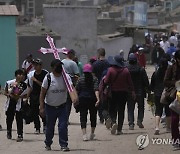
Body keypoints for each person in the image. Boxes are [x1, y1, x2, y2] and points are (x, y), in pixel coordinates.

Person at [40, 59, 77, 151]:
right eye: (57, 66)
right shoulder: (48, 78)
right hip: (50, 107)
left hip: (62, 107)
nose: (59, 68)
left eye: (60, 66)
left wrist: (75, 98)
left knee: (63, 126)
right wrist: (41, 108)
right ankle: (48, 143)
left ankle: (64, 144)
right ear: (52, 68)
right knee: (50, 127)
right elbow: (42, 93)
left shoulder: (66, 77)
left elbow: (71, 88)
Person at [104, 55, 135, 135]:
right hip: (123, 93)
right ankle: (120, 129)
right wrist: (132, 91)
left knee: (112, 109)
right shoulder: (126, 71)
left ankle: (114, 122)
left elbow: (106, 81)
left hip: (113, 93)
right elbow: (130, 83)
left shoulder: (110, 70)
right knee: (121, 110)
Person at [76, 64, 99, 141]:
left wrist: (75, 99)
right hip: (92, 100)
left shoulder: (80, 79)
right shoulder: (94, 79)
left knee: (83, 117)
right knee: (93, 116)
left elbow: (77, 90)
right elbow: (96, 90)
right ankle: (92, 133)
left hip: (82, 100)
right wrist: (98, 99)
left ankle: (84, 135)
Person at [127, 53, 149, 130]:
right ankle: (139, 120)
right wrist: (148, 89)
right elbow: (145, 81)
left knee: (130, 108)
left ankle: (131, 124)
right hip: (140, 91)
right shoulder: (141, 69)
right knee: (141, 107)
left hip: (130, 92)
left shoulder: (126, 70)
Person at [4, 69, 27, 142]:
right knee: (9, 118)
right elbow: (5, 92)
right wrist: (10, 95)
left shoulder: (24, 84)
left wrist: (19, 96)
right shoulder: (9, 82)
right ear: (16, 75)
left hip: (19, 103)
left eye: (23, 75)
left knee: (19, 119)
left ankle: (20, 134)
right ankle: (9, 131)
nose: (21, 76)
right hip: (10, 103)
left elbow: (25, 95)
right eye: (20, 74)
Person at [164, 50, 180, 150]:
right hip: (175, 96)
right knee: (174, 120)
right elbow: (165, 81)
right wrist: (176, 83)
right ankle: (175, 140)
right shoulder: (171, 67)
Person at [27, 58, 48, 134]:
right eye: (34, 65)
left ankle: (45, 126)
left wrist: (35, 80)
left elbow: (45, 85)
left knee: (43, 111)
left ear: (41, 65)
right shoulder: (31, 74)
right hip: (34, 95)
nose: (34, 66)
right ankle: (37, 128)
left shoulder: (45, 74)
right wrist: (27, 97)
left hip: (43, 95)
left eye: (36, 65)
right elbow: (30, 87)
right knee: (34, 112)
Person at [150, 58, 171, 135]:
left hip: (157, 94)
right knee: (168, 111)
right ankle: (168, 128)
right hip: (167, 93)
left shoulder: (155, 73)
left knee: (158, 111)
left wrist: (153, 90)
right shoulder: (169, 73)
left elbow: (152, 85)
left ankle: (157, 127)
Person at [92, 48, 109, 123]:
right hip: (106, 85)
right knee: (106, 101)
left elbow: (93, 75)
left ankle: (101, 117)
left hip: (98, 85)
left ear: (98, 54)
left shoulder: (95, 64)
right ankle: (106, 116)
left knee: (99, 101)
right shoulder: (108, 63)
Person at [62, 49, 79, 124]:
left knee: (63, 102)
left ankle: (62, 117)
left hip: (62, 83)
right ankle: (66, 119)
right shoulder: (73, 63)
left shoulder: (62, 62)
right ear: (71, 54)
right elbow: (77, 74)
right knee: (68, 102)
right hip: (70, 83)